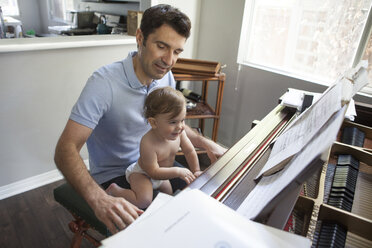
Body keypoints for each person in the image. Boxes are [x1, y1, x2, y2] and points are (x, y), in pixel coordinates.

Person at [54, 4, 226, 234]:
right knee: (158, 233)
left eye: (177, 51)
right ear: (140, 37)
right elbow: (65, 149)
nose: (169, 60)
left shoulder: (166, 78)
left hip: (154, 165)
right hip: (114, 174)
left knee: (202, 203)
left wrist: (205, 142)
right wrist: (99, 199)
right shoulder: (103, 83)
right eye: (162, 46)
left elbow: (173, 126)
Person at [106, 87, 202, 209]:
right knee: (144, 201)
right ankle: (115, 191)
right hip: (143, 173)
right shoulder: (148, 142)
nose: (180, 127)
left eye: (182, 120)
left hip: (163, 173)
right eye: (173, 122)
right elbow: (153, 172)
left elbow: (189, 151)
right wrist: (177, 171)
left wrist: (196, 170)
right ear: (154, 123)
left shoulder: (180, 133)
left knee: (168, 197)